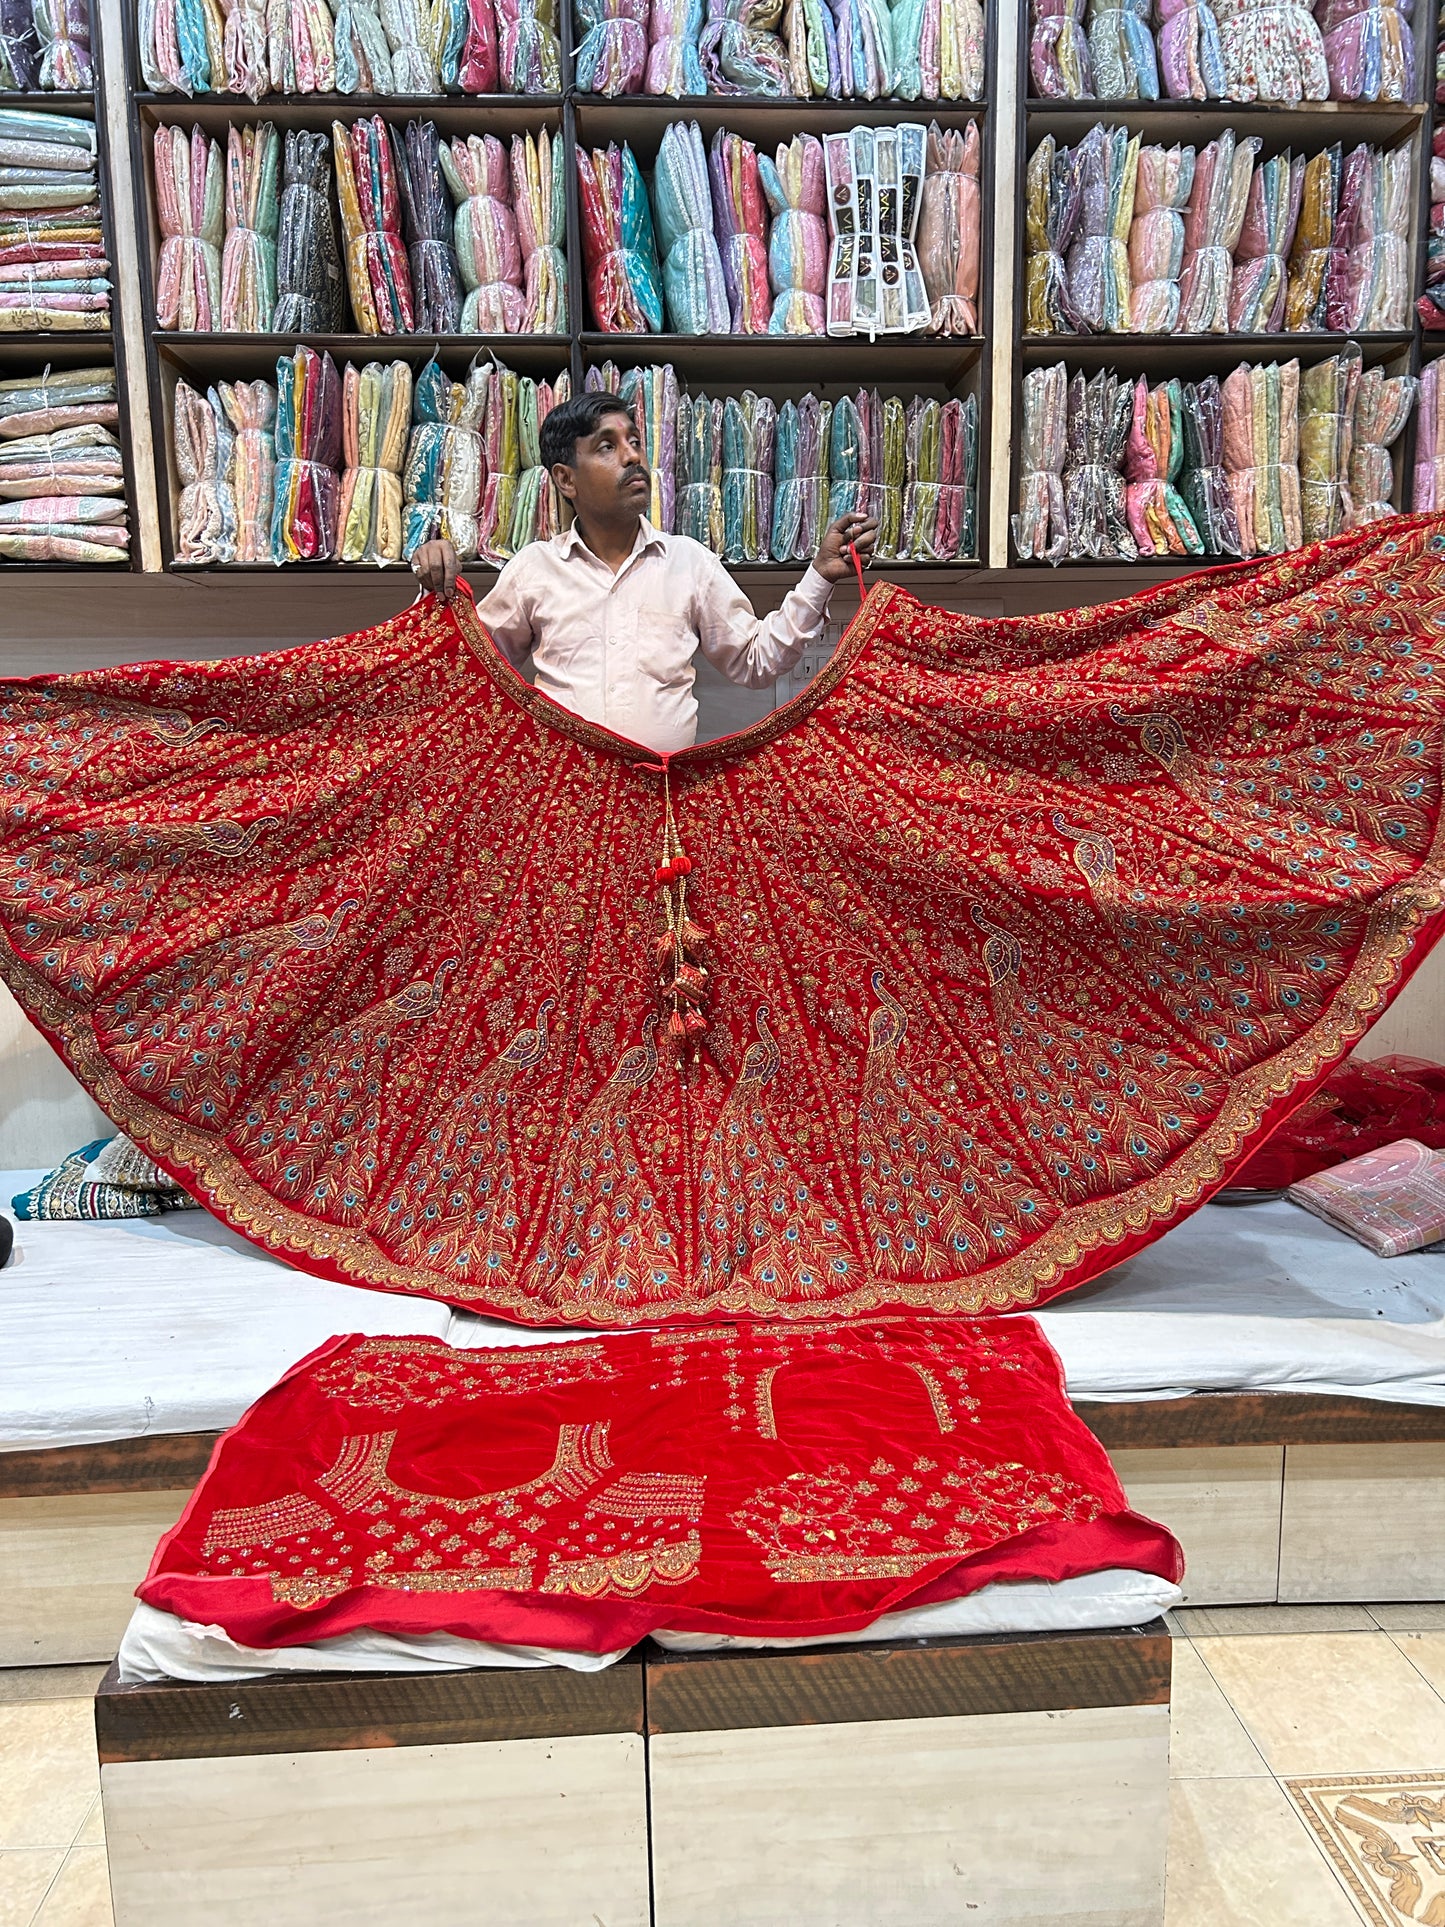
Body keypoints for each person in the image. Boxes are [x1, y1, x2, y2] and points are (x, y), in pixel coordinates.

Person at [410, 390, 878, 756]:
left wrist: (819, 575)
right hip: (567, 814)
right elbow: (468, 674)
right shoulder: (534, 570)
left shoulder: (688, 563)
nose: (633, 456)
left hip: (664, 810)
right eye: (607, 447)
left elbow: (756, 661)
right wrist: (435, 589)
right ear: (566, 479)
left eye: (634, 441)